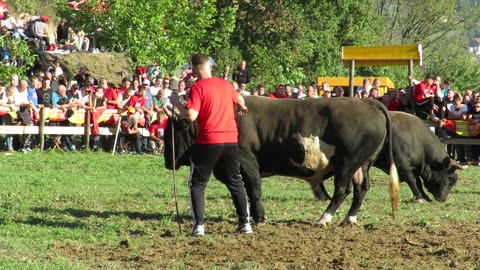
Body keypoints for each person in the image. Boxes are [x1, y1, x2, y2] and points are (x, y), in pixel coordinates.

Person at [169, 53, 252, 236]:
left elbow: (191, 115)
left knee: (197, 184)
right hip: (231, 140)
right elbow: (240, 100)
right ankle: (245, 223)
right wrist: (241, 107)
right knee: (235, 181)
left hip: (208, 141)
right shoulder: (226, 84)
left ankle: (199, 226)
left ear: (193, 69)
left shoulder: (198, 88)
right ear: (210, 67)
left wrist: (176, 103)